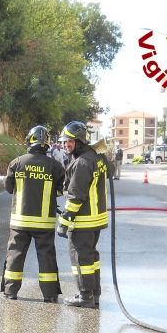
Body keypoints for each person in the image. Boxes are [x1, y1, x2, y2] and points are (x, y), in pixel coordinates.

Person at [2, 126, 66, 303]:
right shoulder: (55, 166)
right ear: (46, 144)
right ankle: (50, 294)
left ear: (29, 141)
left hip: (19, 221)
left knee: (15, 255)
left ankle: (10, 291)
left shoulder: (17, 163)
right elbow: (63, 190)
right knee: (46, 257)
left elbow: (8, 188)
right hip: (44, 223)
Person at [56, 121, 108, 308]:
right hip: (96, 219)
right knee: (91, 257)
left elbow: (76, 196)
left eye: (70, 141)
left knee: (80, 258)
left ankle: (84, 296)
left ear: (79, 140)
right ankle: (94, 294)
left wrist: (64, 221)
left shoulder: (82, 162)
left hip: (83, 220)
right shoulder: (95, 156)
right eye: (64, 141)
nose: (65, 145)